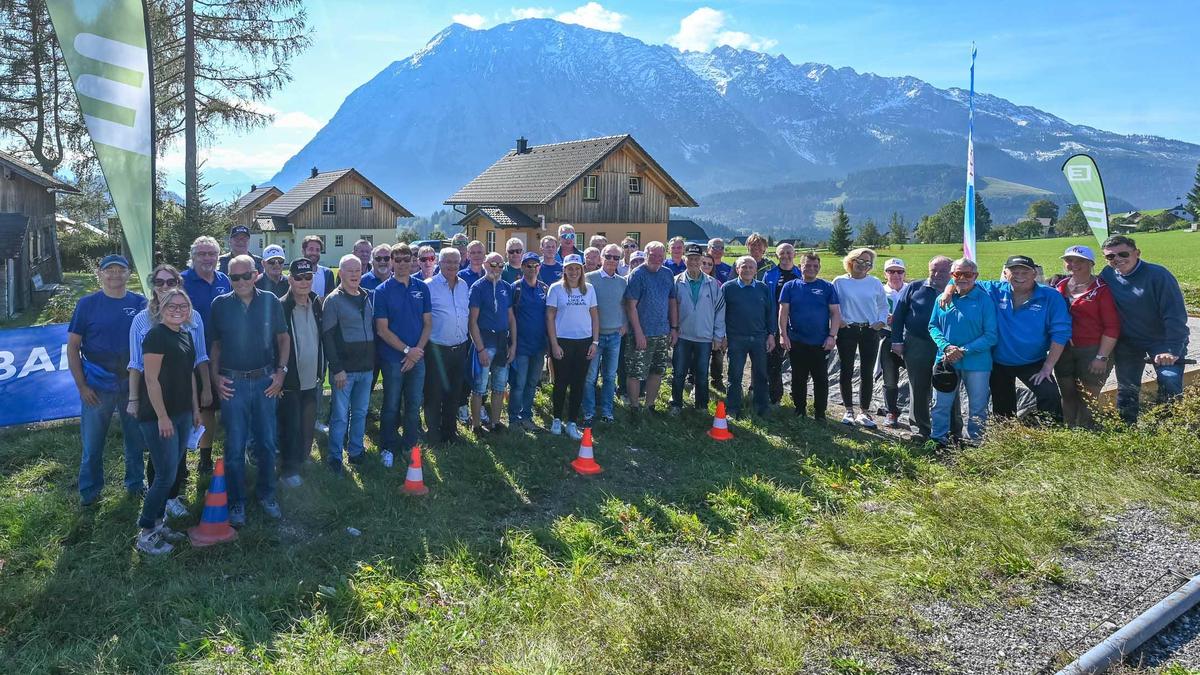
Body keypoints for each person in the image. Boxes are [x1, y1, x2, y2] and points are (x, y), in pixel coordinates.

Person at [207, 255, 289, 526]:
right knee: (234, 445)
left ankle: (266, 495)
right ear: (228, 278)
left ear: (256, 274)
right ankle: (236, 502)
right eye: (234, 277)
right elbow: (215, 346)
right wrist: (215, 378)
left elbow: (283, 338)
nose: (240, 281)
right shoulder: (219, 305)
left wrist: (281, 372)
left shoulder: (270, 301)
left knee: (266, 442)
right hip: (232, 384)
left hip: (265, 381)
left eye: (245, 276)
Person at [127, 264, 210, 518]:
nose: (165, 286)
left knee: (177, 455)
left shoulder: (190, 321)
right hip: (157, 402)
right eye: (159, 282)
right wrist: (134, 399)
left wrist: (201, 397)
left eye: (170, 281)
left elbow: (196, 361)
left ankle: (171, 498)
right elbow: (137, 365)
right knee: (161, 459)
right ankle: (154, 514)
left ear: (179, 283)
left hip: (183, 400)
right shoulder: (144, 323)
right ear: (153, 286)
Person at [69, 254, 148, 506]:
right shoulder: (87, 304)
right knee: (93, 444)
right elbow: (73, 347)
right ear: (100, 274)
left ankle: (135, 484)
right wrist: (82, 386)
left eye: (120, 270)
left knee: (135, 440)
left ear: (129, 274)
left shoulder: (140, 303)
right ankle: (89, 492)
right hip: (97, 386)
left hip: (132, 384)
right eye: (109, 270)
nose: (115, 274)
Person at [133, 288, 199, 555]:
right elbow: (150, 380)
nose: (178, 309)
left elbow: (190, 375)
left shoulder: (185, 334)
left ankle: (160, 523)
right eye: (172, 305)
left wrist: (195, 409)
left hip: (183, 413)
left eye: (183, 305)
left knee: (171, 472)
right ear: (161, 307)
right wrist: (162, 416)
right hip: (159, 416)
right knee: (164, 476)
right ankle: (147, 531)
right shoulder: (156, 336)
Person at [1099, 235, 1189, 423]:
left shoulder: (1158, 275)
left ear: (1137, 253)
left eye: (1123, 254)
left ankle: (1170, 428)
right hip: (1129, 343)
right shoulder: (1108, 274)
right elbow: (1088, 285)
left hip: (1164, 341)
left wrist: (1172, 350)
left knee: (1170, 380)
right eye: (1110, 257)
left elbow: (1175, 316)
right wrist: (1060, 279)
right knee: (1127, 387)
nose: (1117, 259)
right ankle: (1127, 430)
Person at [974, 255, 1071, 423]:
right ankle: (1007, 442)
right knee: (1003, 409)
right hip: (999, 362)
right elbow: (960, 280)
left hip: (1033, 361)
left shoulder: (1050, 296)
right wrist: (947, 291)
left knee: (1050, 395)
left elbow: (1060, 333)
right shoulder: (993, 289)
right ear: (1005, 273)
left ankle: (1052, 439)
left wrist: (1048, 367)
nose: (1019, 276)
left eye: (1025, 271)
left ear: (1034, 274)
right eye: (1014, 271)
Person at [929, 258, 997, 446]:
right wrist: (946, 347)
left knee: (977, 407)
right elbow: (933, 326)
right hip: (945, 361)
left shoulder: (985, 301)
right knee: (940, 404)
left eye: (967, 274)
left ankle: (975, 442)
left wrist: (963, 351)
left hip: (977, 363)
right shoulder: (942, 299)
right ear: (952, 276)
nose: (962, 278)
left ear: (975, 276)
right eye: (957, 274)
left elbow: (991, 335)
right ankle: (938, 439)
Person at [374, 243, 431, 463]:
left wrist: (416, 352)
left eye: (406, 259)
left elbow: (428, 324)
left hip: (417, 358)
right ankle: (387, 447)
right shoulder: (382, 291)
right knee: (391, 404)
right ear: (391, 262)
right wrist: (407, 351)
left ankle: (410, 445)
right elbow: (382, 329)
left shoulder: (421, 287)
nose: (402, 264)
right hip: (392, 359)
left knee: (414, 404)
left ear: (413, 260)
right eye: (397, 260)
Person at [891, 256, 958, 440]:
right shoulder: (914, 287)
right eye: (933, 270)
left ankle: (953, 431)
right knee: (918, 387)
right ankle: (921, 429)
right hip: (918, 343)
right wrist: (896, 340)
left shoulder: (958, 290)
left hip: (948, 346)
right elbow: (899, 314)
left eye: (942, 271)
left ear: (952, 272)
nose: (936, 274)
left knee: (948, 385)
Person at [1053, 245, 1120, 428]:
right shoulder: (1059, 286)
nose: (1073, 264)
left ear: (1091, 263)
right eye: (1069, 260)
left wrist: (1101, 357)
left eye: (1080, 260)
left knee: (1088, 397)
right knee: (1067, 394)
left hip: (1092, 350)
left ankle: (1087, 435)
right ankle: (1068, 432)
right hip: (1063, 350)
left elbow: (1112, 327)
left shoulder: (1102, 290)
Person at [181, 236, 230, 474]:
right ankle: (200, 458)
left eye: (212, 254)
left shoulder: (225, 280)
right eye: (202, 254)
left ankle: (220, 454)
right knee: (203, 407)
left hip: (223, 354)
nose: (207, 258)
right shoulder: (182, 281)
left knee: (223, 406)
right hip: (191, 356)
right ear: (193, 257)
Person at [322, 255, 376, 469]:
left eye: (358, 270)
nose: (355, 274)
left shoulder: (367, 296)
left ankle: (356, 451)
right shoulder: (333, 300)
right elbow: (327, 336)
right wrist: (337, 369)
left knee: (360, 413)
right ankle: (335, 457)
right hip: (345, 371)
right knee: (340, 416)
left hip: (366, 368)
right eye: (350, 270)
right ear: (340, 273)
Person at [778, 252, 840, 420]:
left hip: (820, 342)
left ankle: (820, 413)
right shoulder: (790, 286)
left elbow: (835, 313)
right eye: (808, 265)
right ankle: (800, 409)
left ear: (819, 268)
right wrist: (783, 335)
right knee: (798, 377)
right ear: (800, 267)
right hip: (797, 341)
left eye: (815, 266)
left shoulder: (827, 287)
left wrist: (832, 336)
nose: (811, 269)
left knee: (821, 378)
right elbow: (783, 313)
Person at [278, 258, 323, 485]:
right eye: (298, 277)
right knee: (290, 426)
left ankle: (303, 460)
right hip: (290, 380)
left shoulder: (317, 303)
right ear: (290, 279)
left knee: (307, 424)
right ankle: (288, 469)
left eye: (308, 277)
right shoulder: (281, 306)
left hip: (312, 378)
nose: (304, 282)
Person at [832, 248, 888, 427]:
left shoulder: (875, 282)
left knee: (867, 372)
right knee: (846, 370)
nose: (863, 265)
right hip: (847, 330)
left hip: (869, 330)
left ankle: (864, 412)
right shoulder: (839, 282)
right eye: (860, 261)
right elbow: (833, 305)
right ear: (851, 261)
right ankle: (848, 410)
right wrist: (839, 321)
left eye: (868, 263)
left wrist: (880, 322)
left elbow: (883, 305)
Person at [546, 254, 599, 439]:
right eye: (570, 268)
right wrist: (554, 344)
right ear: (564, 270)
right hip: (562, 341)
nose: (574, 272)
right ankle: (557, 419)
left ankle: (572, 422)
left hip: (584, 342)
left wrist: (595, 342)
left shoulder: (589, 289)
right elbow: (550, 317)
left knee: (578, 383)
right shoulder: (556, 289)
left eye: (577, 268)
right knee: (560, 382)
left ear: (581, 270)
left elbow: (594, 316)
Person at [670, 243, 725, 414]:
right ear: (685, 260)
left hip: (704, 336)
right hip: (683, 336)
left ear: (701, 260)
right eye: (690, 258)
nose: (693, 262)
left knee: (702, 373)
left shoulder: (712, 284)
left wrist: (718, 335)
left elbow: (720, 311)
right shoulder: (676, 281)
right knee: (679, 372)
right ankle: (676, 403)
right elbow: (670, 309)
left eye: (696, 259)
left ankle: (701, 405)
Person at [624, 241, 678, 415]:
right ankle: (634, 407)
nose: (656, 259)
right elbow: (631, 306)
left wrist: (674, 328)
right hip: (642, 333)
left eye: (660, 256)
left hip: (662, 332)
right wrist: (638, 333)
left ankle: (649, 406)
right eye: (652, 255)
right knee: (636, 371)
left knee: (657, 370)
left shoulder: (668, 274)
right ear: (645, 255)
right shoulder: (637, 275)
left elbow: (672, 302)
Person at [425, 248, 471, 444]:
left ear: (460, 263)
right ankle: (433, 433)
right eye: (447, 262)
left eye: (455, 262)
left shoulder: (464, 285)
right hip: (437, 349)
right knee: (434, 392)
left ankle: (450, 432)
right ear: (439, 263)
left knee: (454, 391)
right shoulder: (429, 286)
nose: (452, 265)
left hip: (459, 348)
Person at [468, 252, 517, 434]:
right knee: (480, 386)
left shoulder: (506, 287)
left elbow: (511, 318)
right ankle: (476, 425)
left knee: (499, 384)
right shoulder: (478, 287)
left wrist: (513, 345)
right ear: (485, 265)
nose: (496, 269)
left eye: (500, 265)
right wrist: (479, 348)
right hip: (485, 340)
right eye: (492, 264)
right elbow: (472, 321)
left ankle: (496, 423)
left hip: (502, 340)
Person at [722, 256, 775, 418]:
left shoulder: (763, 288)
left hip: (759, 338)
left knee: (761, 375)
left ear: (755, 270)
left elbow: (770, 313)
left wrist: (771, 334)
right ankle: (732, 408)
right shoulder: (727, 288)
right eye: (744, 267)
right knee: (735, 375)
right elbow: (720, 314)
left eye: (751, 267)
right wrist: (722, 336)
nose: (747, 270)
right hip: (736, 338)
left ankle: (762, 407)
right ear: (737, 269)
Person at [583, 243, 628, 424]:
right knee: (590, 377)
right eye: (608, 256)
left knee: (610, 376)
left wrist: (625, 323)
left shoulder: (622, 281)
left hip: (615, 336)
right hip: (594, 337)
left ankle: (607, 412)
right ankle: (589, 412)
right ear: (601, 258)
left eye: (616, 257)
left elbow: (625, 305)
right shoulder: (589, 279)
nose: (611, 260)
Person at [509, 252, 550, 431]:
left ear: (539, 267)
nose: (532, 269)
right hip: (521, 346)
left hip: (539, 346)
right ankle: (513, 418)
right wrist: (512, 343)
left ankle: (527, 416)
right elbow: (509, 317)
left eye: (535, 265)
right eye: (528, 265)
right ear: (522, 267)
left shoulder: (544, 289)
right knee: (519, 383)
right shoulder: (515, 288)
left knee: (532, 382)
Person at [762, 243, 800, 406]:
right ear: (777, 256)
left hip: (798, 326)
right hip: (775, 325)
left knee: (799, 364)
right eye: (782, 253)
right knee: (774, 363)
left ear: (794, 254)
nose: (785, 256)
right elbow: (764, 301)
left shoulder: (801, 273)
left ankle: (798, 397)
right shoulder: (769, 275)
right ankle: (775, 398)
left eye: (789, 252)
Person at [878, 258, 908, 427]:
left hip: (909, 339)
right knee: (889, 378)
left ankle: (919, 413)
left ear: (904, 273)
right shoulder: (880, 291)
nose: (895, 275)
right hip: (887, 338)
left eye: (899, 271)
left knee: (917, 378)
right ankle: (891, 411)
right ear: (885, 274)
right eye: (891, 271)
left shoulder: (911, 291)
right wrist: (883, 319)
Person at [707, 237, 733, 392]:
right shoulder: (703, 266)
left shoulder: (728, 269)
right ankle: (693, 379)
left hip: (720, 315)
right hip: (703, 315)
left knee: (718, 351)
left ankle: (717, 380)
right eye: (715, 247)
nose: (718, 250)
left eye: (721, 247)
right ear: (708, 249)